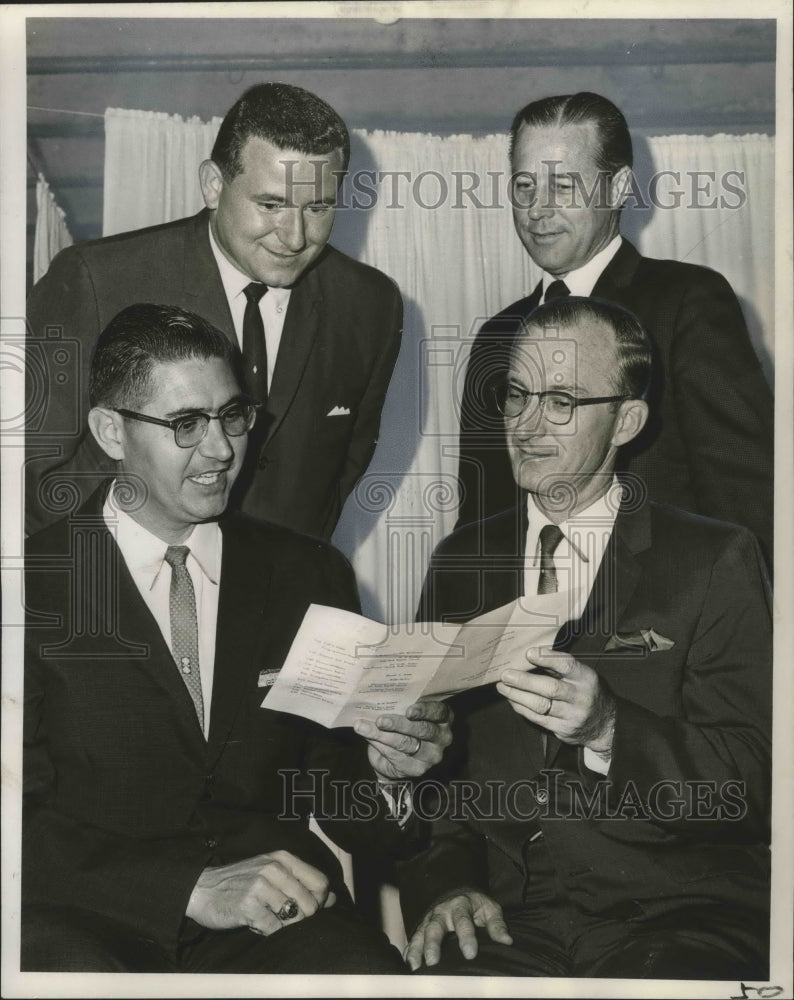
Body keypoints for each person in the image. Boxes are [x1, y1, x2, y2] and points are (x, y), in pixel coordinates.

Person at [22, 303, 451, 973]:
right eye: (186, 424)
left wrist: (390, 773)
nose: (221, 450)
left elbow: (329, 786)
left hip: (273, 919)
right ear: (110, 431)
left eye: (232, 416)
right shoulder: (30, 589)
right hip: (94, 916)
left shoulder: (306, 573)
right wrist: (185, 888)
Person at [399, 297, 771, 979]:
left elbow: (754, 782)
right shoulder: (460, 560)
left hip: (677, 917)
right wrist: (450, 882)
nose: (528, 424)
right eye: (517, 394)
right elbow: (444, 788)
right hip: (507, 922)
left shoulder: (715, 559)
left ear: (627, 420)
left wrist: (608, 730)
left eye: (563, 400)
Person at [26, 82, 403, 540]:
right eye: (271, 204)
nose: (295, 236)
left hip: (281, 592)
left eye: (319, 207)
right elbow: (34, 476)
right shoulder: (94, 278)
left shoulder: (371, 304)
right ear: (212, 185)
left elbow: (344, 469)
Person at [457, 91, 773, 566]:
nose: (537, 210)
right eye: (524, 186)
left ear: (620, 187)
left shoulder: (687, 301)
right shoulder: (497, 336)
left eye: (563, 186)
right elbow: (480, 522)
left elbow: (746, 496)